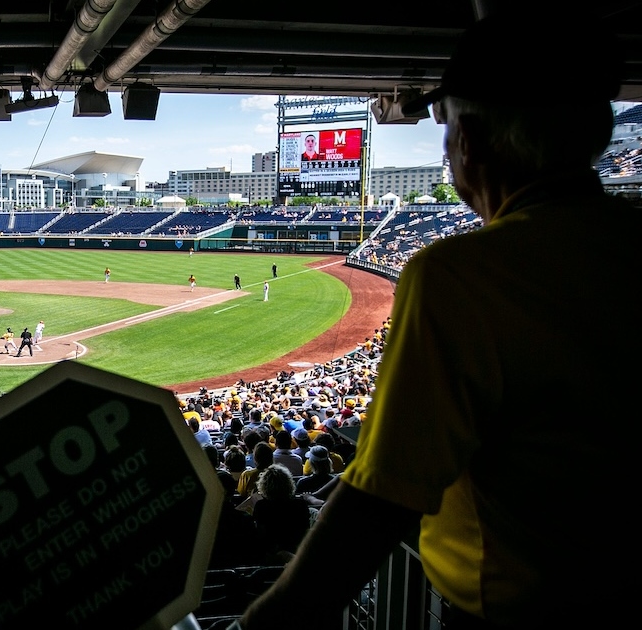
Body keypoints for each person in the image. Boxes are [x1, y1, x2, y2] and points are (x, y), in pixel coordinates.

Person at [239, 15, 630, 630]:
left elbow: (379, 498)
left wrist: (267, 622)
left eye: (444, 130)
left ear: (468, 141)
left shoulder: (464, 274)